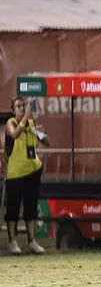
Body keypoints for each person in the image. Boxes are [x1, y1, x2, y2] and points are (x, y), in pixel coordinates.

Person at [4, 97, 49, 255]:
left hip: (32, 170)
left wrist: (41, 133)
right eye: (19, 106)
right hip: (16, 173)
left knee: (31, 208)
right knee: (13, 208)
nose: (22, 108)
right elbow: (15, 134)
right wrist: (25, 118)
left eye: (24, 105)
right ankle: (12, 241)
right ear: (13, 110)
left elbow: (47, 142)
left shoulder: (32, 124)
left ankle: (31, 241)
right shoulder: (12, 123)